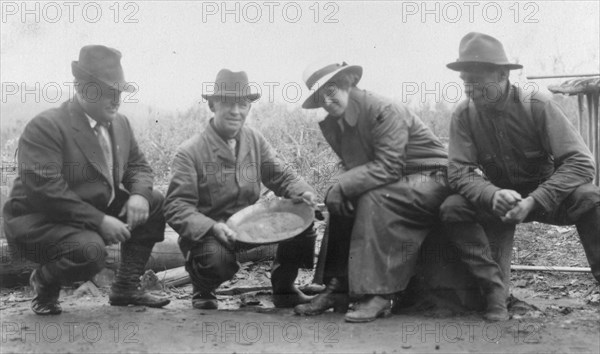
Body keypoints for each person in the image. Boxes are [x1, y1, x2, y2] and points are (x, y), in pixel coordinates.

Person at [294, 62, 508, 322]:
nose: (327, 101)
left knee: (375, 198)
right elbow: (355, 166)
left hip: (433, 175)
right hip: (395, 178)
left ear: (349, 81)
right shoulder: (335, 122)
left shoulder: (382, 109)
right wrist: (339, 188)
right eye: (320, 97)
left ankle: (380, 295)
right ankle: (337, 287)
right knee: (340, 200)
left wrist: (344, 184)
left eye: (332, 90)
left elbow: (388, 166)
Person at [3, 45, 170, 315]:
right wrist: (100, 221)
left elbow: (138, 166)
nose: (116, 100)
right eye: (107, 91)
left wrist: (139, 194)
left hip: (85, 212)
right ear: (82, 87)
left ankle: (126, 286)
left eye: (119, 92)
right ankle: (44, 284)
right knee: (89, 249)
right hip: (40, 221)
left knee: (154, 201)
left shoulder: (121, 124)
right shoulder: (47, 126)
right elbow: (46, 191)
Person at [440, 32, 600, 299]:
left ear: (503, 76)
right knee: (453, 207)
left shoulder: (536, 105)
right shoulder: (464, 115)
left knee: (590, 198)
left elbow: (581, 163)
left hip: (549, 198)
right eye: (465, 82)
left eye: (477, 81)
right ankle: (490, 290)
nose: (469, 89)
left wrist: (536, 200)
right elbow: (459, 172)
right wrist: (492, 194)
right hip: (500, 202)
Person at [164, 69, 317, 310]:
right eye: (227, 103)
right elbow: (176, 207)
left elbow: (281, 174)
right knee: (217, 261)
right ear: (213, 105)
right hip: (211, 235)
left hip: (251, 227)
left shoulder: (254, 140)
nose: (236, 111)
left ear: (249, 107)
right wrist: (212, 227)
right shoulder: (190, 151)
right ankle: (203, 289)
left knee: (303, 219)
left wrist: (303, 192)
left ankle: (284, 288)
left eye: (242, 103)